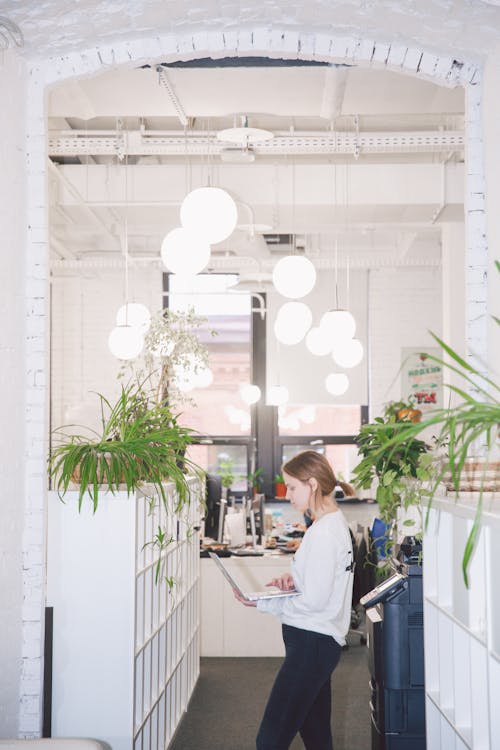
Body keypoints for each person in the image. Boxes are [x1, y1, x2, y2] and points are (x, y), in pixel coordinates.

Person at [233, 450, 355, 750]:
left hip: (311, 645)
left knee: (271, 740)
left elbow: (313, 601)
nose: (288, 495)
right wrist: (293, 581)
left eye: (292, 487)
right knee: (316, 736)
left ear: (312, 483)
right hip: (316, 643)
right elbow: (319, 585)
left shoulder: (326, 532)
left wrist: (264, 601)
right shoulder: (328, 525)